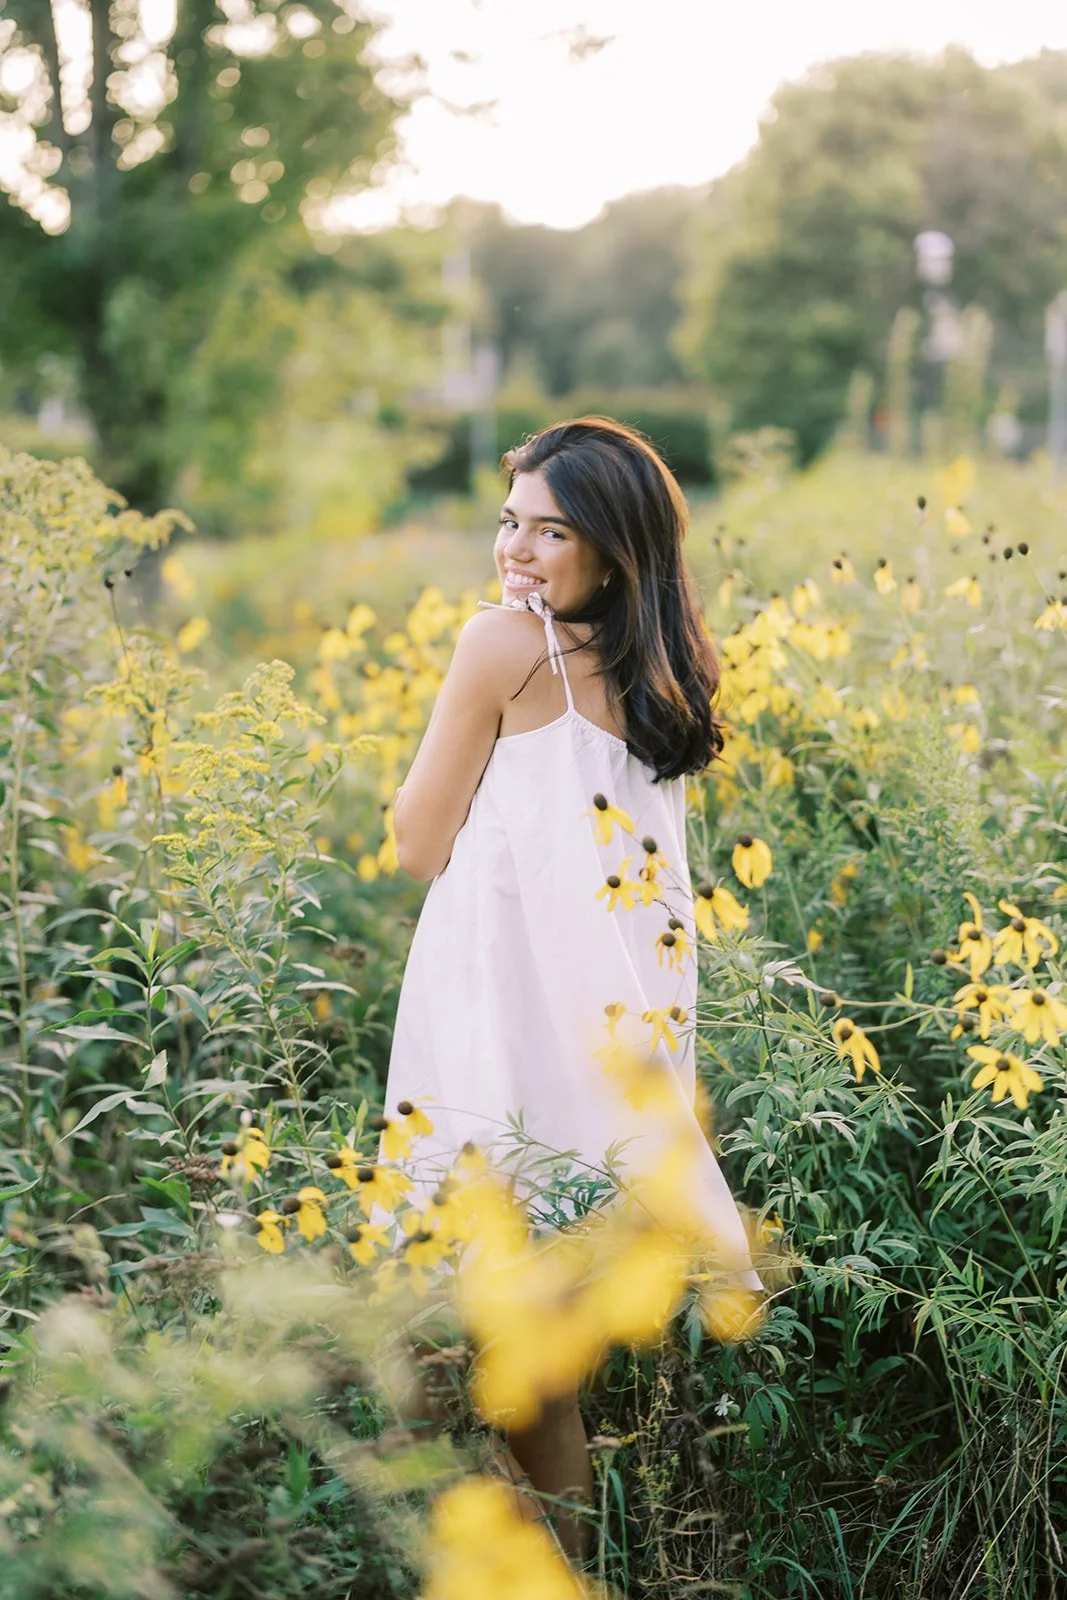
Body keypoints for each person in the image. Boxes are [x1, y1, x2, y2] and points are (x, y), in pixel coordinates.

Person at [379, 416, 761, 1562]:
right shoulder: (664, 661)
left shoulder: (502, 646)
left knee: (496, 1333)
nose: (517, 550)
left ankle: (551, 1567)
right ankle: (555, 1554)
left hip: (503, 1008)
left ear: (613, 546)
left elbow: (413, 840)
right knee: (536, 1332)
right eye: (509, 522)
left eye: (552, 529)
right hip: (617, 1027)